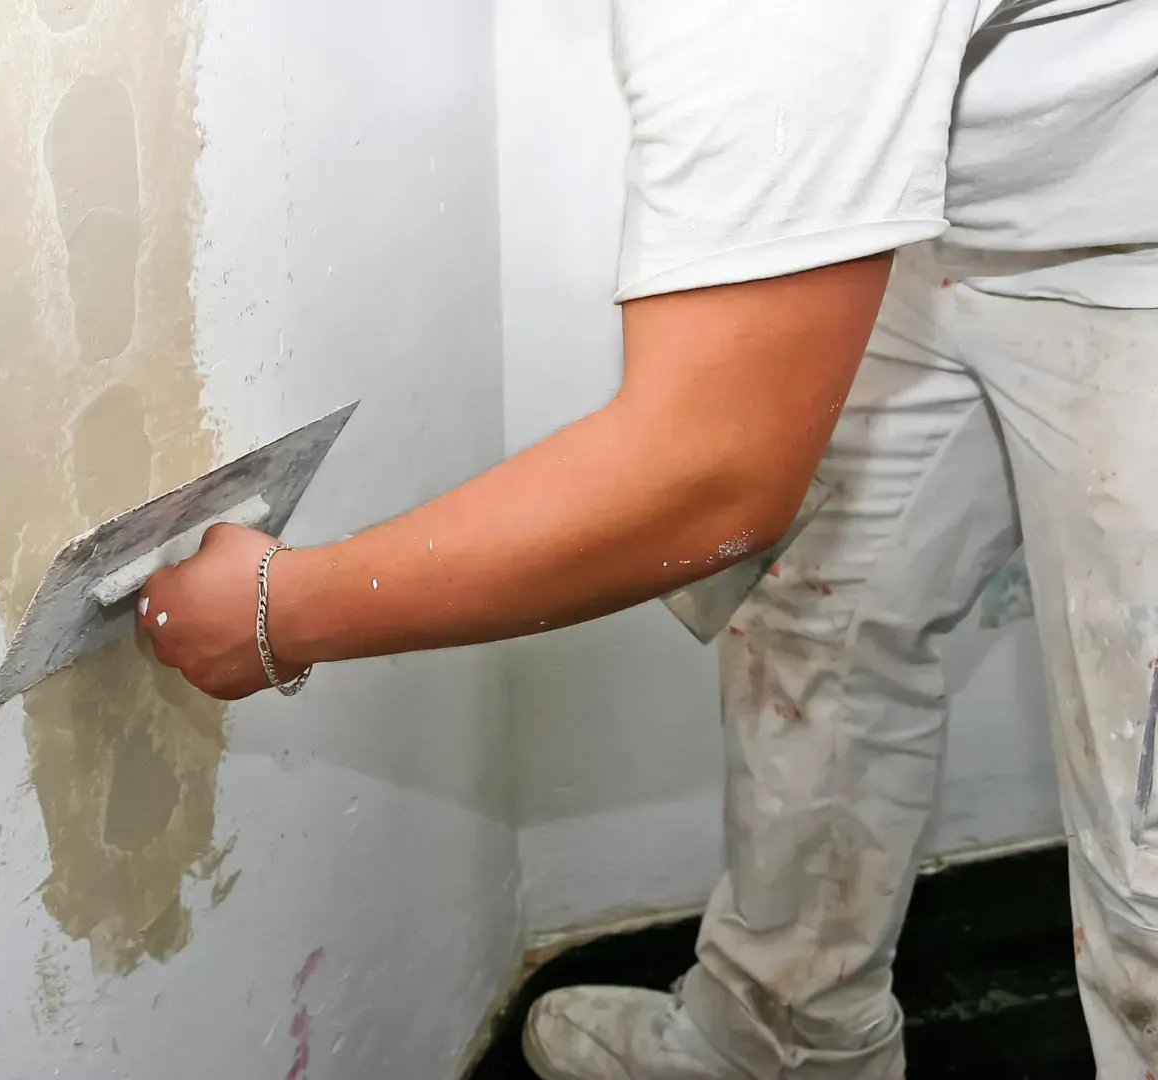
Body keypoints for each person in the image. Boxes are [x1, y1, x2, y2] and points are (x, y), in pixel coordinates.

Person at [138, 0, 1158, 1075]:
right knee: (823, 612)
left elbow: (709, 483)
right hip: (961, 216)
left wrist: (274, 616)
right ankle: (783, 1040)